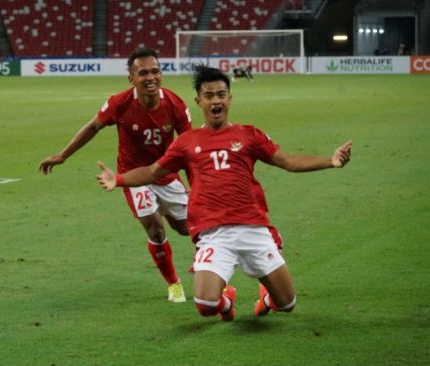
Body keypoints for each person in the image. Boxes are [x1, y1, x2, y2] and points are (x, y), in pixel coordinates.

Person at [96, 65, 352, 321]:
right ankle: (226, 303)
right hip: (214, 234)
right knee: (205, 304)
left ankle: (266, 297)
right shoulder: (186, 143)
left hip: (253, 228)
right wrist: (118, 179)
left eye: (220, 94)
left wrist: (330, 160)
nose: (215, 101)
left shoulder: (249, 134)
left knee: (287, 304)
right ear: (199, 101)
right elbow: (152, 173)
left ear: (229, 98)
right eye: (209, 96)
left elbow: (288, 161)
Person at [39, 48, 193, 303]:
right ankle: (174, 283)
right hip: (133, 178)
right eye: (143, 73)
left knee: (187, 228)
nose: (151, 78)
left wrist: (195, 184)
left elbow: (188, 148)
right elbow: (93, 127)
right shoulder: (119, 103)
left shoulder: (175, 104)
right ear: (131, 78)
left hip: (166, 176)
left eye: (155, 71)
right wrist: (62, 155)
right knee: (155, 231)